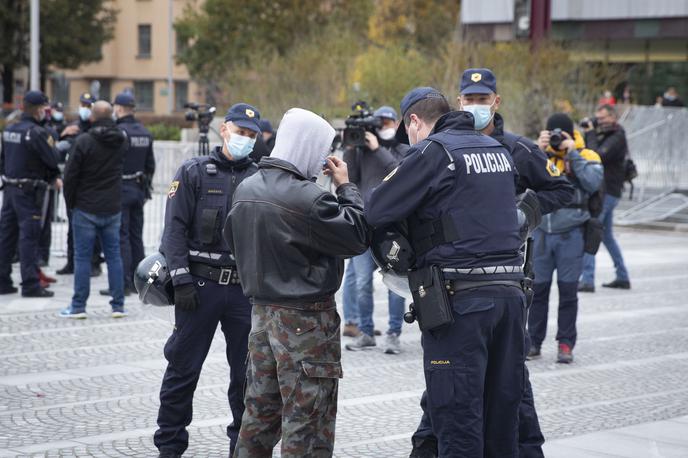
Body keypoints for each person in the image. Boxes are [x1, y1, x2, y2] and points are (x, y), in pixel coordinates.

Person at [409, 68, 575, 458]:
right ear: (458, 101)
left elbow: (560, 188)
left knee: (512, 400)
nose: (476, 105)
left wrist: (521, 216)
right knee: (447, 400)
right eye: (469, 99)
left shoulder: (516, 150)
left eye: (483, 99)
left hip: (506, 286)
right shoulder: (439, 150)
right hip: (455, 293)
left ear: (496, 102)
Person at [366, 87, 527, 457]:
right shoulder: (495, 150)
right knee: (501, 421)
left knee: (458, 421)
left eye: (409, 134)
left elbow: (377, 209)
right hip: (511, 299)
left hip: (461, 303)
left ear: (414, 122)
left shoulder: (433, 151)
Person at [226, 108, 370, 458]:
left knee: (258, 417)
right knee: (307, 422)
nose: (323, 160)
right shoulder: (309, 198)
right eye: (322, 151)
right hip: (306, 322)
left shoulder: (246, 188)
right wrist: (345, 186)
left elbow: (233, 242)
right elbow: (357, 235)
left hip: (261, 317)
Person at [154, 103, 261, 458]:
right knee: (182, 372)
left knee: (246, 378)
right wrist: (181, 280)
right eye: (240, 131)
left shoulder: (261, 179)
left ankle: (241, 449)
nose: (245, 139)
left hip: (243, 292)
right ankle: (169, 446)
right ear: (224, 129)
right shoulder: (193, 171)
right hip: (198, 289)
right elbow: (174, 230)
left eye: (251, 134)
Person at [528, 113, 603, 363]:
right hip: (541, 232)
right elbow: (518, 182)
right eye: (553, 135)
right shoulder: (538, 153)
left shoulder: (587, 155)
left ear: (571, 134)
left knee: (569, 292)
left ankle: (566, 344)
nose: (558, 139)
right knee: (537, 292)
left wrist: (573, 154)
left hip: (572, 233)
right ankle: (533, 342)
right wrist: (536, 151)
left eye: (562, 134)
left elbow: (593, 183)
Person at [342, 105, 410, 354]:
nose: (381, 127)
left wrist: (377, 149)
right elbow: (348, 175)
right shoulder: (362, 152)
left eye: (385, 122)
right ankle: (366, 332)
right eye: (377, 123)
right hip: (365, 225)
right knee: (361, 282)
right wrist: (351, 147)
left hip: (393, 229)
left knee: (395, 284)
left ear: (395, 123)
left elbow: (400, 173)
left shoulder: (402, 148)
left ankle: (393, 333)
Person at [60, 101, 127, 319]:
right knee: (114, 256)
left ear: (92, 117)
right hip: (112, 206)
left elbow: (70, 177)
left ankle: (78, 306)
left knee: (82, 259)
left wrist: (71, 204)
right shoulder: (121, 140)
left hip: (86, 207)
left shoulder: (84, 141)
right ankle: (118, 305)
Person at [0, 90, 61, 297]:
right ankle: (30, 284)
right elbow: (52, 158)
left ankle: (3, 280)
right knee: (29, 238)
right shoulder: (37, 133)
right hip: (29, 192)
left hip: (9, 190)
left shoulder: (10, 130)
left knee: (6, 237)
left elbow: (3, 160)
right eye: (45, 107)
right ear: (39, 109)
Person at [99, 92, 155, 296]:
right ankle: (138, 280)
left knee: (120, 237)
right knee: (135, 236)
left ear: (120, 109)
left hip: (120, 189)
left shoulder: (117, 132)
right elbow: (151, 165)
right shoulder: (145, 132)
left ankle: (122, 282)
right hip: (138, 189)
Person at [579, 104, 631, 292]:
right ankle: (623, 276)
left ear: (613, 118)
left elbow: (596, 156)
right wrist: (588, 132)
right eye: (597, 118)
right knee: (607, 236)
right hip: (604, 191)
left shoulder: (617, 136)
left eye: (603, 119)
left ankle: (587, 280)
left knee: (592, 231)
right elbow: (586, 153)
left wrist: (591, 133)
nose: (599, 122)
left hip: (608, 192)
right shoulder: (603, 134)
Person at [56, 92, 103, 277]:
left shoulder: (97, 129)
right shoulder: (73, 127)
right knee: (72, 227)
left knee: (95, 228)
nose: (84, 108)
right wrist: (62, 135)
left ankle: (94, 263)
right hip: (74, 186)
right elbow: (60, 152)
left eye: (88, 105)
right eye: (83, 104)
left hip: (91, 186)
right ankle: (71, 262)